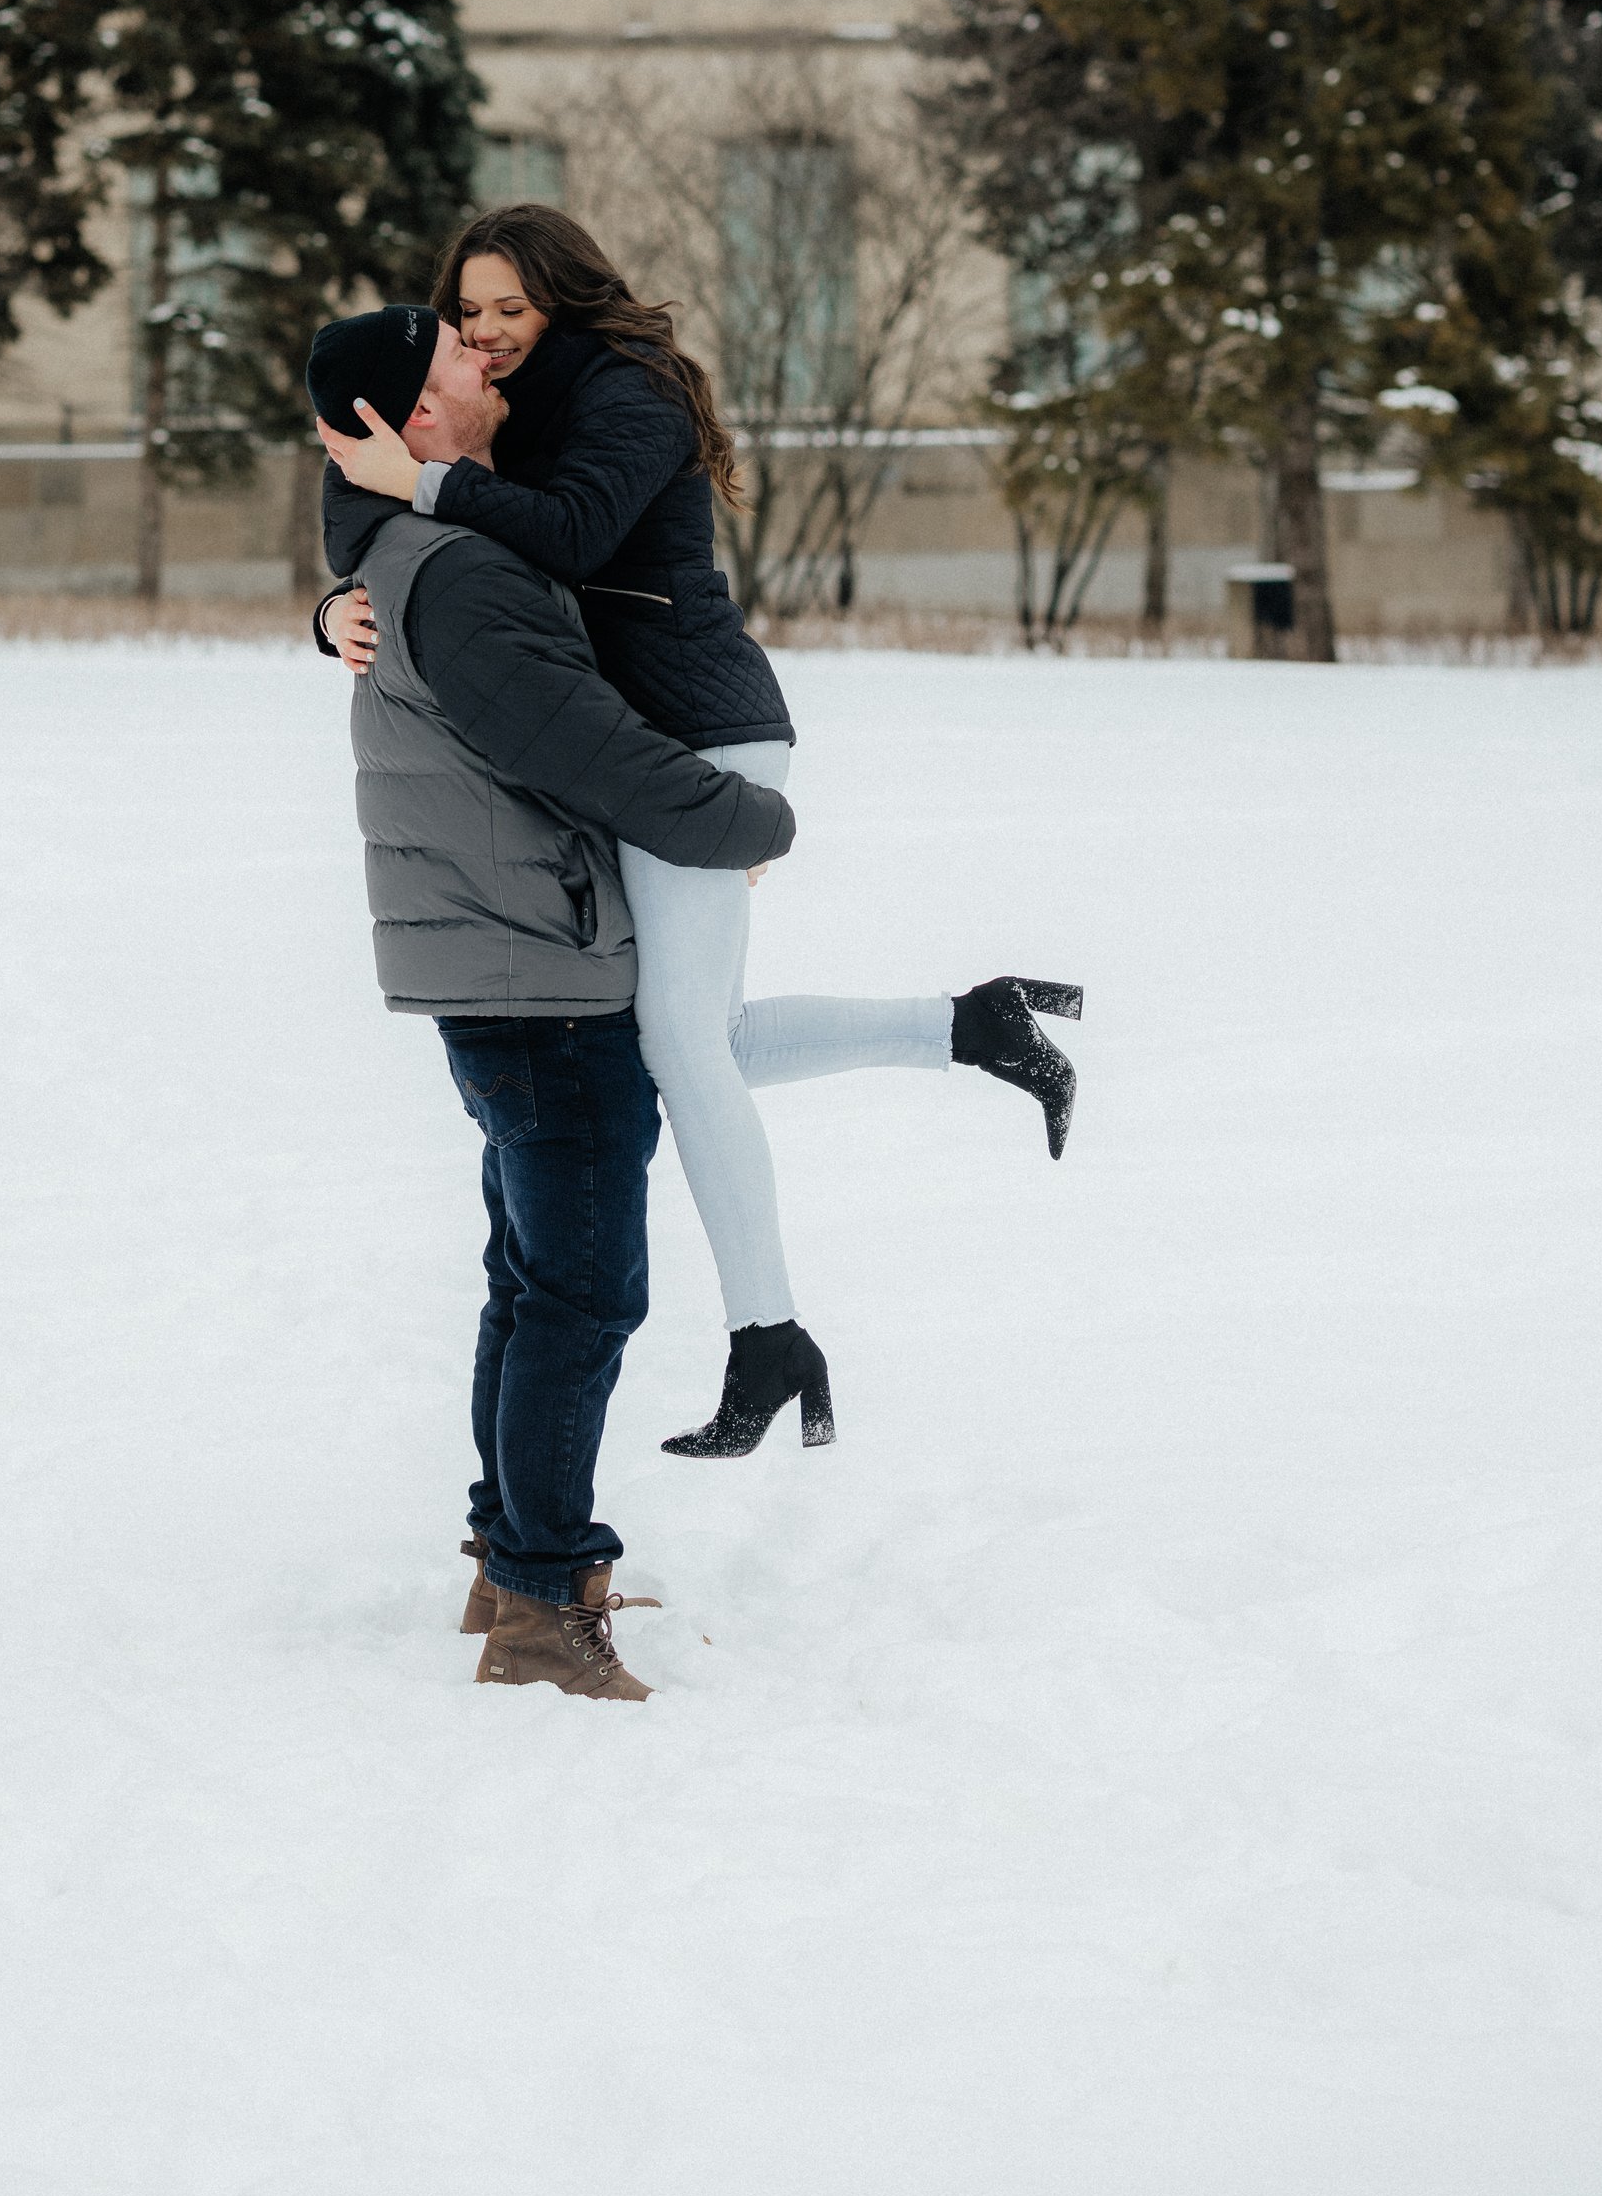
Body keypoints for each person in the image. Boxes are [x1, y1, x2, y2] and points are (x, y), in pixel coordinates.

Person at [317, 202, 1081, 1462]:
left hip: (703, 738)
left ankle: (767, 1336)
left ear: (564, 297)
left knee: (676, 1039)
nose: (486, 333)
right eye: (467, 314)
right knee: (698, 1035)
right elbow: (366, 501)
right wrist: (337, 601)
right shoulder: (484, 409)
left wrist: (428, 482)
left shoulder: (629, 394)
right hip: (633, 755)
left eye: (510, 307)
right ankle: (966, 1025)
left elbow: (565, 533)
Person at [305, 295, 795, 1702]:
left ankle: (506, 1560)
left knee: (534, 1285)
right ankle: (538, 1598)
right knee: (581, 1294)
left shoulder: (423, 547)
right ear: (413, 422)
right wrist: (746, 822)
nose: (486, 352)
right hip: (542, 975)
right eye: (458, 349)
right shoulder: (458, 569)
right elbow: (583, 750)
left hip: (509, 960)